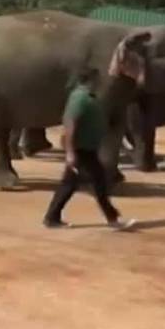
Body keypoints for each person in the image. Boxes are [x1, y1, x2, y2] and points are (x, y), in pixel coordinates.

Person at [43, 67, 135, 231]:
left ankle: (53, 217)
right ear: (91, 80)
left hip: (88, 150)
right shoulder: (80, 98)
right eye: (98, 79)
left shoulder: (87, 97)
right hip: (81, 151)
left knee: (90, 184)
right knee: (74, 185)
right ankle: (53, 218)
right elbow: (70, 124)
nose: (100, 82)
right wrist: (70, 153)